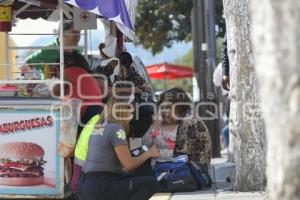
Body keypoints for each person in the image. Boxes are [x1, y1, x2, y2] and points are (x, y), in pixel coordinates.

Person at [77, 96, 161, 200]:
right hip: (102, 186)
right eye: (130, 111)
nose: (132, 115)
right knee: (150, 183)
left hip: (85, 184)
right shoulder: (116, 129)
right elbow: (129, 164)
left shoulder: (99, 127)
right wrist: (149, 153)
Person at [143, 88, 211, 171]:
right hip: (164, 172)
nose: (165, 112)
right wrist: (154, 126)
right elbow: (144, 146)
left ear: (180, 107)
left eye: (169, 107)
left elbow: (185, 155)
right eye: (163, 108)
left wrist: (155, 153)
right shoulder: (159, 123)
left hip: (188, 174)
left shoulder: (191, 123)